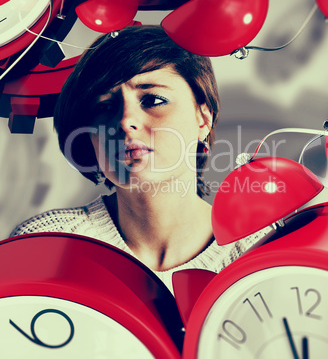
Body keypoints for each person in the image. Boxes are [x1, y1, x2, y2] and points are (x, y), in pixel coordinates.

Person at [9, 25, 270, 293]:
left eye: (153, 99)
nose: (125, 120)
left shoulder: (266, 254)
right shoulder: (42, 244)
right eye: (104, 106)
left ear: (203, 117)